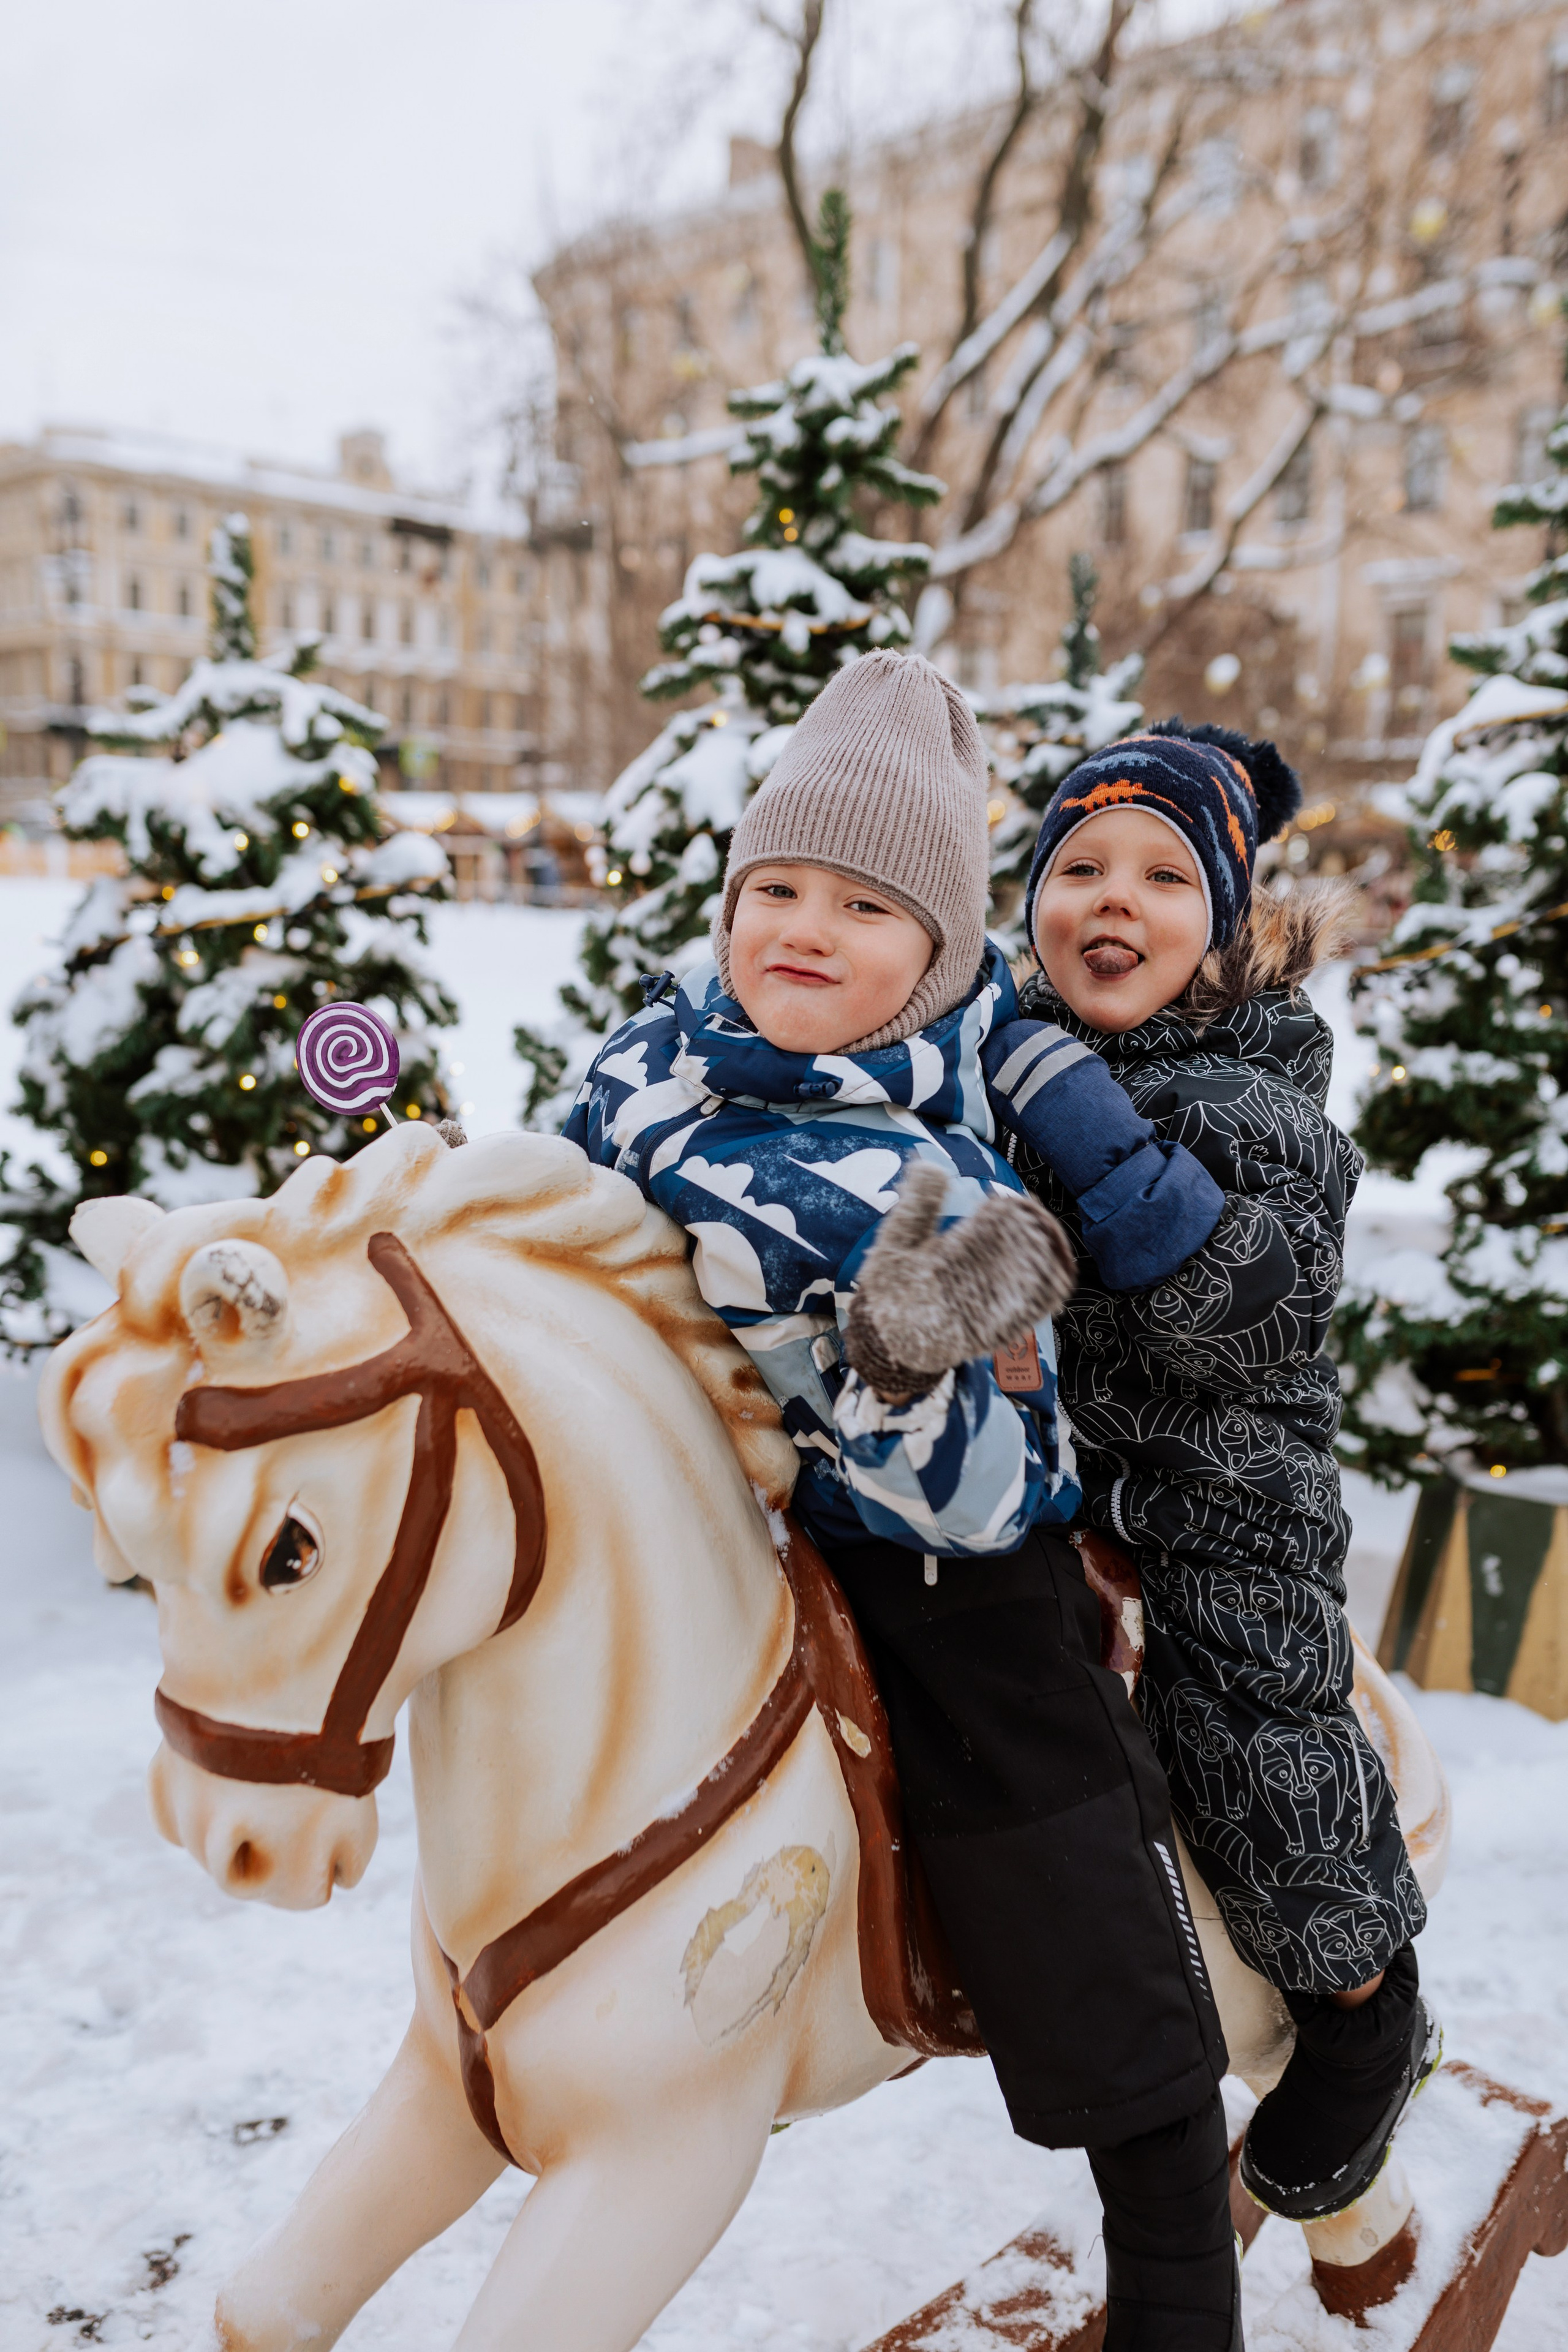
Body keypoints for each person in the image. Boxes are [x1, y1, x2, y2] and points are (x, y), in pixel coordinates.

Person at [566, 652, 1244, 2352]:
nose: (804, 928)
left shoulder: (951, 1185)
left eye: (865, 906)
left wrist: (904, 1358)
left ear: (937, 957)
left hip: (925, 1562)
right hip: (688, 1531)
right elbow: (543, 1223)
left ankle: (1172, 2239)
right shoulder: (643, 1068)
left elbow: (989, 1499)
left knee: (1048, 1816)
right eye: (776, 888)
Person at [981, 720, 1438, 2232]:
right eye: (1078, 868)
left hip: (1219, 1491)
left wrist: (1090, 1131)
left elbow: (1241, 1308)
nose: (1113, 898)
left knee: (1242, 1714)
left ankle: (1360, 2001)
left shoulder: (1258, 1094)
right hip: (1036, 1476)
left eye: (1162, 876)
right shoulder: (1002, 1064)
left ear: (1227, 923)